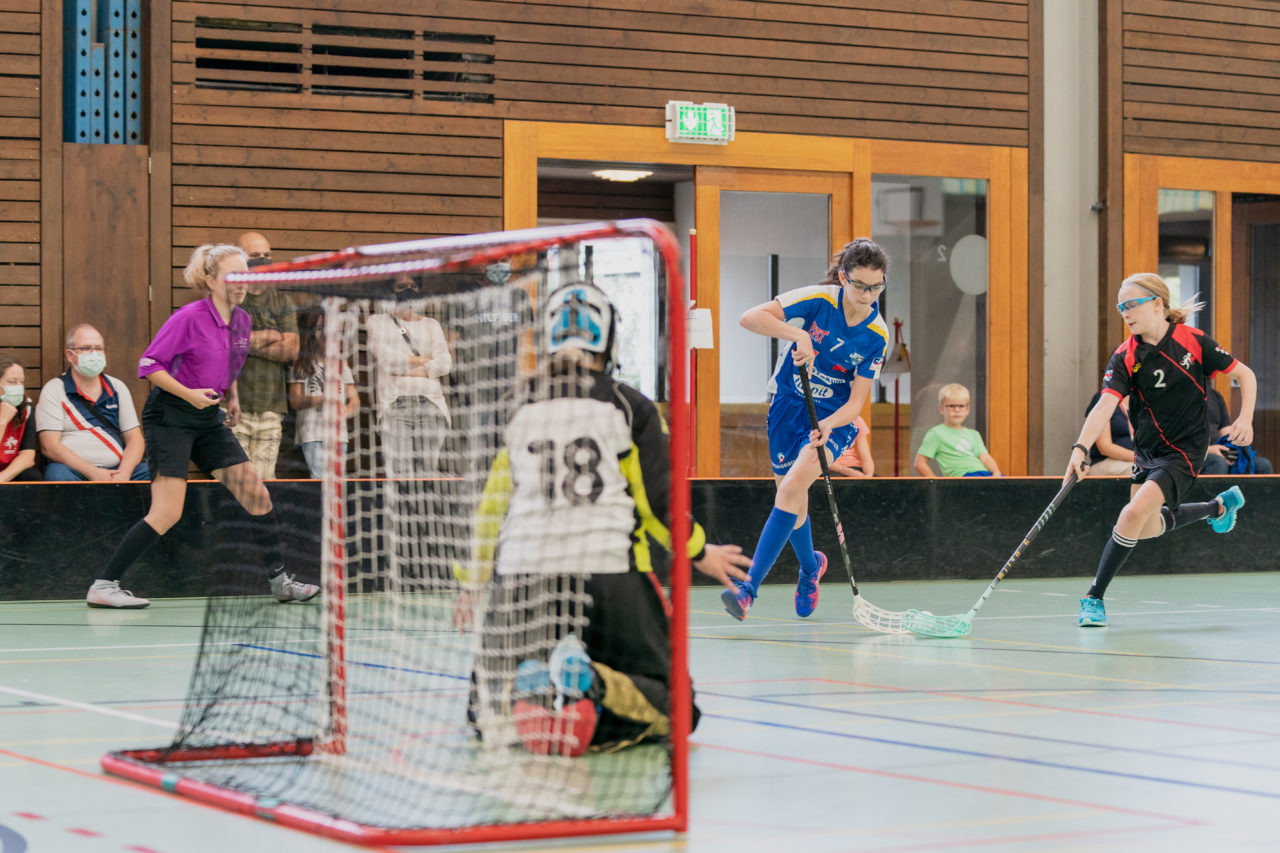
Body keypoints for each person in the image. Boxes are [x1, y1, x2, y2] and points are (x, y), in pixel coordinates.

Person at [452, 282, 752, 756]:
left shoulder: (514, 404)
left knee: (480, 711)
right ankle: (592, 685)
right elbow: (657, 504)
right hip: (609, 572)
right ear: (608, 340)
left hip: (523, 573)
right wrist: (698, 551)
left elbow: (491, 506)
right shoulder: (631, 406)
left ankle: (525, 691)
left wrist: (471, 583)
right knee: (676, 709)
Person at [87, 243, 319, 609]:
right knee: (167, 512)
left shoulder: (242, 320)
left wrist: (233, 399)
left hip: (208, 417)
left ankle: (280, 582)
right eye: (231, 275)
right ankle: (104, 584)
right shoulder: (188, 317)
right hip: (171, 416)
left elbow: (230, 363)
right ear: (210, 280)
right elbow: (148, 366)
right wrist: (190, 394)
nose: (239, 283)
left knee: (256, 494)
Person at [1066, 273, 1255, 628]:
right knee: (1146, 527)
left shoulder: (1194, 341)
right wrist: (1080, 448)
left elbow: (1244, 375)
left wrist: (1245, 418)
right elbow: (1104, 406)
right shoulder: (1125, 356)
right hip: (1147, 449)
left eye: (1131, 304)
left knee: (1131, 515)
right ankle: (1218, 506)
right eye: (1120, 307)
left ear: (1157, 304)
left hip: (1185, 449)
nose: (1125, 312)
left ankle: (1093, 597)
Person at [723, 238, 890, 622]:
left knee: (791, 487)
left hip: (831, 421)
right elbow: (749, 317)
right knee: (792, 498)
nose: (867, 295)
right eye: (860, 285)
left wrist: (829, 426)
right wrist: (796, 334)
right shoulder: (820, 299)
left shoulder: (876, 334)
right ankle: (811, 566)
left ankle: (748, 590)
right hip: (787, 406)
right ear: (844, 277)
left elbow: (856, 403)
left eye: (876, 287)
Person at [36, 324, 150, 482]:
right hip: (74, 471)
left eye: (98, 348)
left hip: (118, 470)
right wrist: (93, 472)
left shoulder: (117, 387)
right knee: (57, 475)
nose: (94, 353)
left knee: (157, 474)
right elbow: (50, 446)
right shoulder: (55, 389)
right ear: (70, 355)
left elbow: (135, 439)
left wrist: (124, 473)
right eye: (86, 348)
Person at [230, 231, 299, 480]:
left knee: (265, 484)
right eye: (255, 256)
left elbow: (291, 349)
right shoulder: (229, 298)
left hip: (271, 408)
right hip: (234, 408)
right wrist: (271, 335)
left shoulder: (282, 300)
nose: (263, 260)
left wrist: (245, 343)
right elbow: (224, 345)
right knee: (236, 484)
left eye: (267, 255)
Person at [287, 305, 359, 479]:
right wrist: (322, 398)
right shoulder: (302, 364)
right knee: (319, 479)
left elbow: (354, 401)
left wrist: (345, 411)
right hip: (313, 433)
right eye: (320, 328)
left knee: (337, 482)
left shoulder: (341, 363)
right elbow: (295, 400)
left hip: (338, 435)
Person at [914, 383, 1003, 477]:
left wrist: (996, 472)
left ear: (967, 409)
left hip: (984, 475)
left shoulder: (973, 434)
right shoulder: (936, 433)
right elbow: (920, 463)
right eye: (951, 406)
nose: (957, 410)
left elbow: (985, 457)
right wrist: (937, 483)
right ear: (941, 409)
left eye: (961, 406)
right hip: (962, 478)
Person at [1201, 386, 1272, 475]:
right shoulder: (1183, 395)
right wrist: (1209, 450)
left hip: (1220, 450)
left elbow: (1225, 431)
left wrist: (1233, 447)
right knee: (1218, 463)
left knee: (1263, 465)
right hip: (1195, 453)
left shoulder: (1215, 396)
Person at [0, 354, 39, 482]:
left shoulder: (26, 407)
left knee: (31, 476)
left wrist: (2, 478)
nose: (18, 387)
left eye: (21, 382)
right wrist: (2, 421)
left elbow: (27, 456)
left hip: (7, 472)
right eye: (12, 382)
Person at [1083, 390, 1135, 476]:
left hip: (1139, 461)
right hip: (1106, 462)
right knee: (1140, 472)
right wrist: (1141, 459)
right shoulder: (1103, 397)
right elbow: (1105, 447)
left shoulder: (1141, 400)